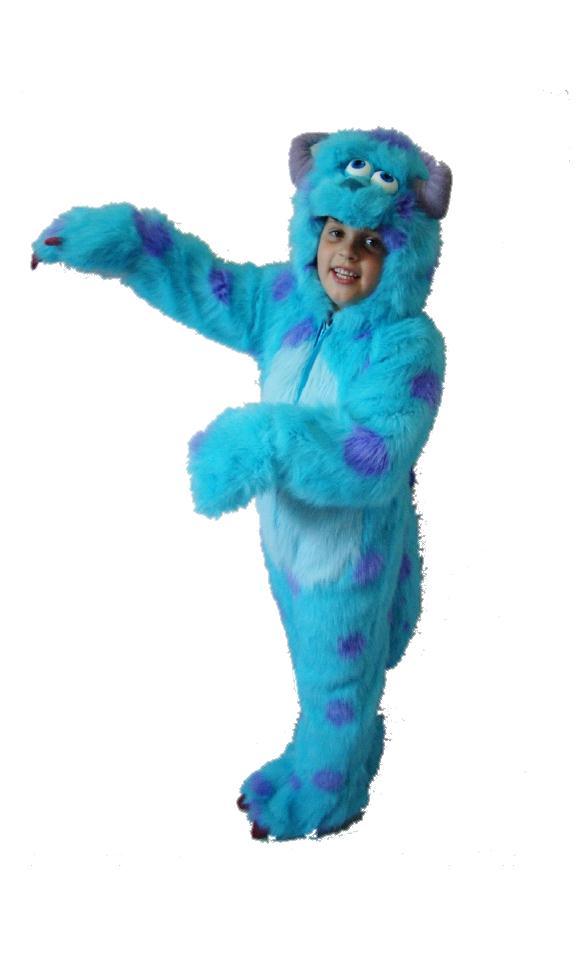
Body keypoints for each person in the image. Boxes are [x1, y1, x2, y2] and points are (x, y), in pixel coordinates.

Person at [32, 127, 452, 841]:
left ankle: (326, 796)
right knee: (324, 677)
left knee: (335, 686)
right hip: (289, 545)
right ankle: (347, 750)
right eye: (335, 231)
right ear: (313, 228)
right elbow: (207, 285)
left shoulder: (407, 345)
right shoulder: (286, 300)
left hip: (346, 558)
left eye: (371, 242)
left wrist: (262, 440)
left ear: (402, 254)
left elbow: (377, 455)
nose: (346, 254)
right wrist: (128, 243)